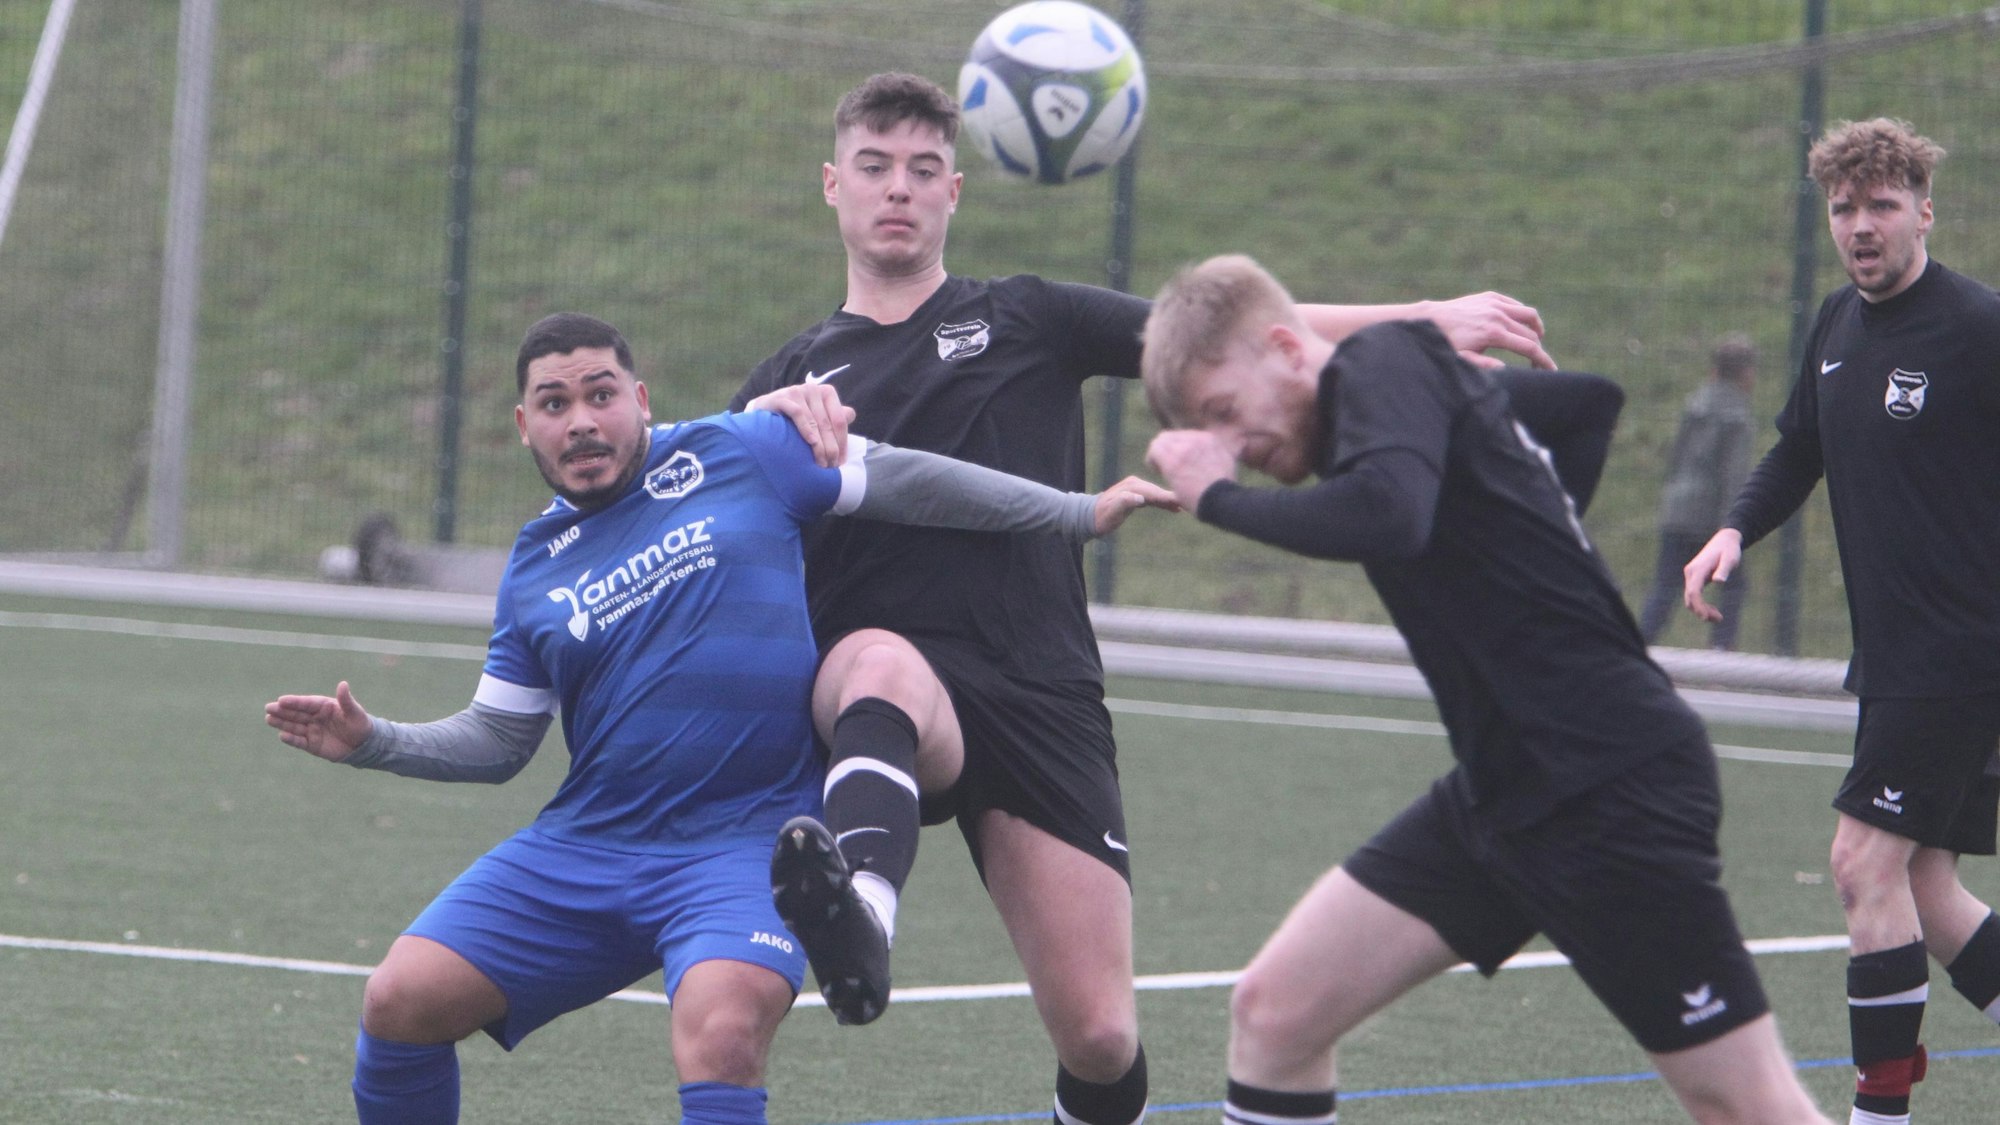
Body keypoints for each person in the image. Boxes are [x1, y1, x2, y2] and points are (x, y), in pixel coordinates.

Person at [727, 70, 1556, 1125]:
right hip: (878, 688)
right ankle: (862, 926)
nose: (899, 188)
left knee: (1103, 1039)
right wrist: (761, 428)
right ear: (833, 184)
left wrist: (1421, 320)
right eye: (877, 168)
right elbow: (701, 529)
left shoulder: (1023, 316)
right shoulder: (784, 380)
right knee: (880, 661)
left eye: (923, 170)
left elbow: (1236, 332)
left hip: (1036, 686)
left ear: (955, 193)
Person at [262, 312, 1175, 1125]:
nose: (580, 419)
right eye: (553, 403)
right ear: (524, 427)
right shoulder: (534, 566)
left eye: (600, 394)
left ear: (640, 398)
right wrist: (375, 740)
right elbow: (500, 740)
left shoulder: (743, 451)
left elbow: (914, 481)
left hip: (747, 844)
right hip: (591, 843)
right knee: (399, 1001)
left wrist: (1076, 512)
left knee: (723, 1032)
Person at [1140, 253, 1836, 1125]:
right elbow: (1586, 407)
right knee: (1275, 1014)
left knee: (1745, 1104)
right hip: (1505, 791)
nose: (1228, 448)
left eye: (1223, 413)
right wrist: (1514, 534)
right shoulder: (1412, 386)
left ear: (1287, 347)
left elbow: (1388, 515)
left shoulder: (1378, 363)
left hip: (1608, 785)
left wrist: (1213, 497)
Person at [1682, 117, 2000, 1125]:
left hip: (1960, 653)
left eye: (1880, 206)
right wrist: (1732, 531)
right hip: (1895, 657)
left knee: (1857, 863)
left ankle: (1876, 1115)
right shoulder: (1834, 324)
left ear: (1922, 212)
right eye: (1841, 209)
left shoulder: (1976, 328)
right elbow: (1794, 450)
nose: (1859, 227)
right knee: (1926, 891)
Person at [1638, 334, 1757, 649]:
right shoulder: (1737, 417)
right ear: (1745, 373)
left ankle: (1637, 645)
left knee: (1665, 586)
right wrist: (1733, 524)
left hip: (1677, 506)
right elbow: (1733, 475)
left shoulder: (1696, 404)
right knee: (1732, 584)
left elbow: (1676, 457)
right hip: (1710, 514)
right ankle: (1721, 650)